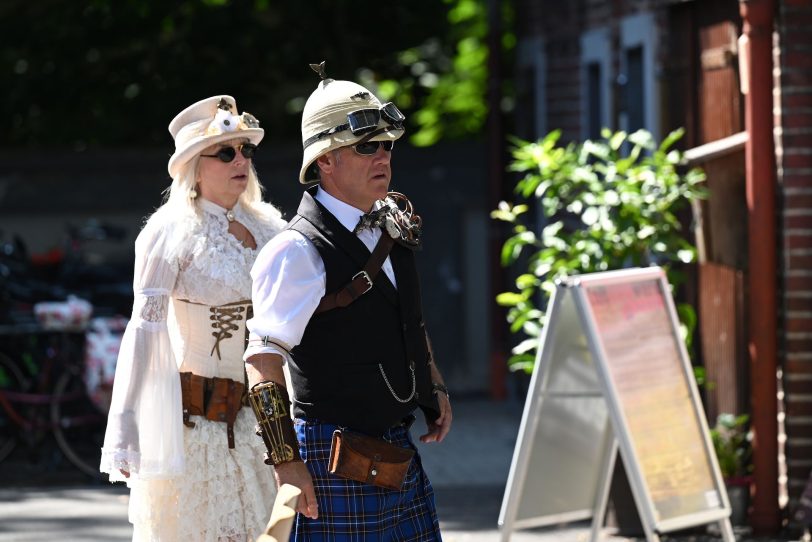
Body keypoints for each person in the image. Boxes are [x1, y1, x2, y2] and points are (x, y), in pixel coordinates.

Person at [244, 63, 452, 540]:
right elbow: (261, 362)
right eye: (365, 147)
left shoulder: (391, 224)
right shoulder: (294, 250)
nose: (382, 156)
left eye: (386, 145)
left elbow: (407, 321)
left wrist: (433, 385)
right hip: (328, 459)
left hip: (397, 452)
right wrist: (286, 463)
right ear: (325, 161)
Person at [100, 95, 287, 541]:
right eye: (226, 152)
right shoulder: (169, 232)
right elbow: (145, 331)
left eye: (245, 150)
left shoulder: (270, 227)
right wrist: (126, 422)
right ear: (194, 166)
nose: (240, 159)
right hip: (196, 429)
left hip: (262, 424)